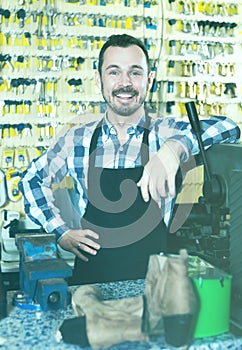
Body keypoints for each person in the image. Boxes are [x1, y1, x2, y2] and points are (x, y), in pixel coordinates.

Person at [19, 34, 240, 284]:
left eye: (135, 73)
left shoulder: (166, 132)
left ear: (149, 80)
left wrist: (175, 147)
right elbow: (31, 180)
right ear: (98, 79)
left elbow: (229, 127)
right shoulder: (76, 140)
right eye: (114, 72)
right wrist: (61, 232)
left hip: (154, 291)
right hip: (92, 290)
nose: (125, 83)